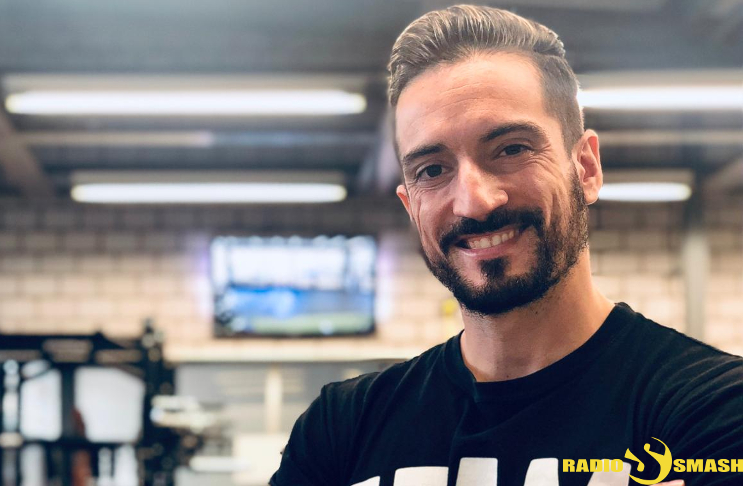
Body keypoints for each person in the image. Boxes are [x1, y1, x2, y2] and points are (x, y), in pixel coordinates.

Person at [269, 5, 742, 486]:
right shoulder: (340, 428)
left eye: (512, 148)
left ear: (586, 168)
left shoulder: (715, 411)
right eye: (432, 170)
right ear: (410, 205)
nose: (474, 202)